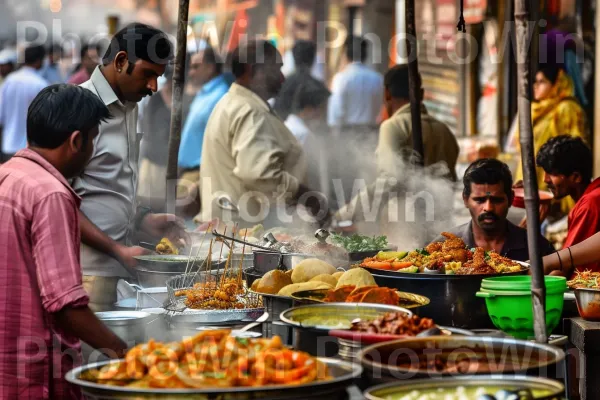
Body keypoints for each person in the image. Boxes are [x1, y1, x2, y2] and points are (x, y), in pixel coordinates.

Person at [0, 84, 127, 399]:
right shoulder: (51, 194)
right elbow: (66, 305)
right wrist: (122, 351)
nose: (93, 149)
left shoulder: (9, 174)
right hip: (34, 371)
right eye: (93, 139)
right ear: (76, 141)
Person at [74, 23, 186, 311]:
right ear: (121, 61)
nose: (153, 87)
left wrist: (143, 220)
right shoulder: (79, 108)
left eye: (158, 77)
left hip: (120, 274)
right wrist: (116, 249)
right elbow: (60, 203)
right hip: (86, 275)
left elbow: (110, 187)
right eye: (148, 74)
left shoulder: (130, 106)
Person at [198, 40, 329, 228]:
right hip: (240, 233)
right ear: (253, 71)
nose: (282, 79)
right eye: (276, 70)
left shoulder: (232, 102)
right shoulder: (250, 110)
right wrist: (307, 197)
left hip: (229, 227)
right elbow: (259, 174)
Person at [432, 159, 555, 262]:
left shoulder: (537, 247)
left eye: (496, 200)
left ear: (511, 199)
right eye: (480, 200)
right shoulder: (442, 248)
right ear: (465, 199)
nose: (488, 208)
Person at [513, 64, 586, 215]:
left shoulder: (566, 109)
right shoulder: (533, 110)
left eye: (542, 82)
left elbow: (574, 149)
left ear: (557, 85)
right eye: (535, 81)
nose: (535, 86)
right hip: (535, 177)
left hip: (556, 182)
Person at [377, 64, 459, 181]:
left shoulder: (392, 127)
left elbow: (389, 180)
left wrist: (358, 199)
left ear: (387, 94)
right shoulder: (444, 130)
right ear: (421, 94)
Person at [177, 47, 232, 216]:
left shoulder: (221, 95)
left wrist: (201, 182)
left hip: (200, 174)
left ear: (210, 67)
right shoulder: (205, 92)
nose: (191, 73)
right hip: (189, 173)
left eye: (195, 67)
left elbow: (222, 143)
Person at [536, 135, 600, 277]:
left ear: (576, 177)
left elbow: (564, 265)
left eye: (552, 173)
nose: (545, 179)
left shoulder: (590, 203)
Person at [0, 45, 48, 162]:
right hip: (30, 149)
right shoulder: (41, 84)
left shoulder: (10, 80)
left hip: (8, 145)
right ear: (38, 61)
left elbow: (0, 115)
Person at [136, 64, 174, 212]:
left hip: (169, 163)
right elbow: (147, 128)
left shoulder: (179, 100)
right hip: (153, 161)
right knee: (150, 206)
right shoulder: (155, 99)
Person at [284, 78, 331, 195]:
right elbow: (312, 176)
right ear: (309, 109)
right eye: (322, 109)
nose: (324, 115)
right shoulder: (304, 134)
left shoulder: (287, 125)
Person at [327, 36, 383, 130]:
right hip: (371, 132)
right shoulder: (377, 79)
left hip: (347, 134)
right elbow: (379, 108)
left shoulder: (341, 78)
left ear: (346, 54)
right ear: (365, 55)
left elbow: (336, 112)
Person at [274, 40, 325, 121]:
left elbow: (276, 115)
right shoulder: (320, 87)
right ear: (313, 59)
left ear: (293, 57)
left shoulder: (281, 85)